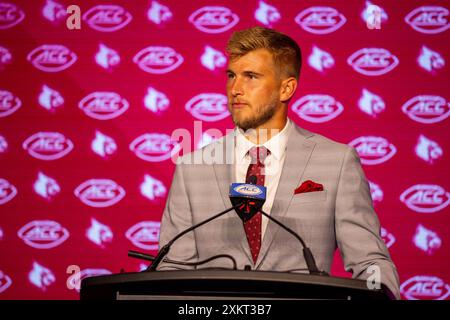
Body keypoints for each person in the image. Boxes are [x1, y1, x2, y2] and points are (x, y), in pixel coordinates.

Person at [157, 26, 400, 299]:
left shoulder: (337, 162)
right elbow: (173, 269)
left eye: (251, 77)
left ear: (287, 88)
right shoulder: (193, 168)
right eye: (231, 75)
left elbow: (370, 262)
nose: (235, 89)